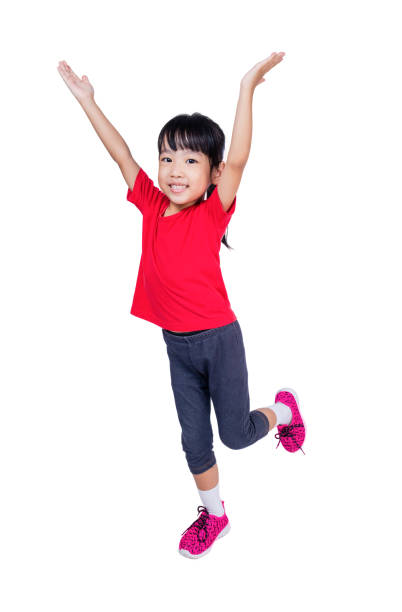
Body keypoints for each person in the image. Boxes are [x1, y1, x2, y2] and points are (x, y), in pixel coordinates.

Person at [57, 51, 306, 560]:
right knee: (194, 441)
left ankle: (282, 410)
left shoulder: (212, 212)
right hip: (176, 345)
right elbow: (121, 155)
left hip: (219, 341)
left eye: (191, 160)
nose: (174, 169)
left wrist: (246, 88)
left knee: (235, 437)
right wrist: (88, 102)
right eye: (168, 157)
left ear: (212, 176)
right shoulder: (150, 205)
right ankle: (216, 517)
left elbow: (237, 158)